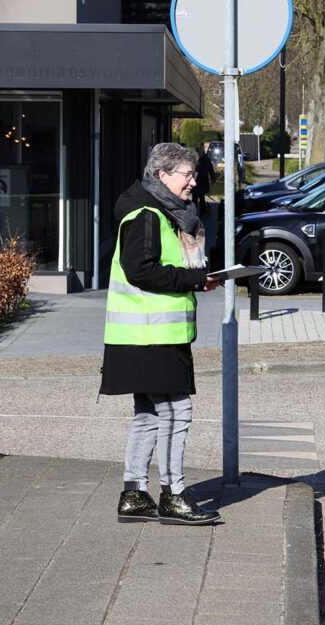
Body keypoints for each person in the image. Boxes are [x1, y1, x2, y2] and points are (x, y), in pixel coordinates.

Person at [101, 142, 222, 526]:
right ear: (163, 175)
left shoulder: (155, 210)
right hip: (152, 334)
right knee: (175, 412)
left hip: (144, 334)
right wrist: (196, 279)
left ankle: (135, 494)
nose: (193, 182)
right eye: (186, 174)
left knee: (150, 414)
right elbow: (141, 270)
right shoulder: (146, 214)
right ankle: (174, 494)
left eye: (193, 174)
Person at [191, 149, 215, 218]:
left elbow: (211, 169)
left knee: (202, 198)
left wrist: (213, 178)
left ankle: (202, 213)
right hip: (196, 182)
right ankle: (194, 213)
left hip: (203, 181)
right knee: (195, 198)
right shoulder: (194, 160)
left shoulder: (206, 160)